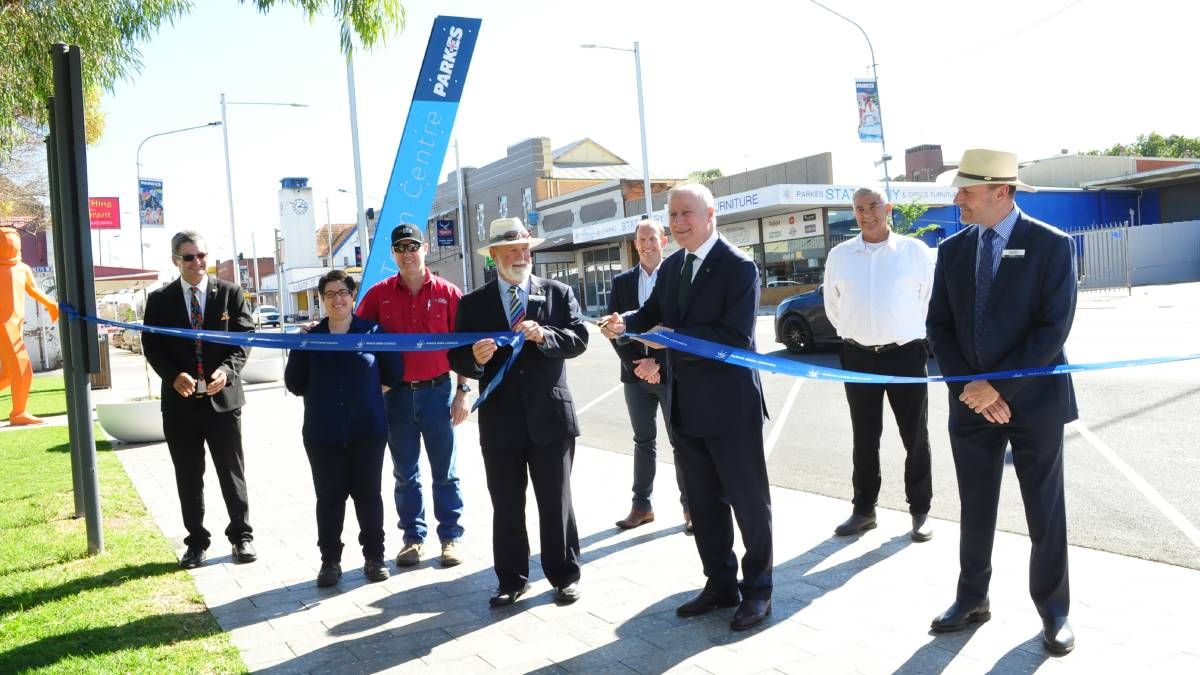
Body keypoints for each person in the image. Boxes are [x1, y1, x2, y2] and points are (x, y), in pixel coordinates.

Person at [926, 149, 1078, 655]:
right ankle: (972, 599)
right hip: (970, 404)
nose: (957, 199)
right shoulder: (951, 251)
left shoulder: (1051, 246)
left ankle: (1054, 612)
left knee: (1045, 511)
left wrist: (1000, 388)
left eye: (966, 191)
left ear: (1001, 192)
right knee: (975, 507)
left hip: (1034, 404)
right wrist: (970, 388)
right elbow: (939, 327)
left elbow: (1052, 330)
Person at [601, 184, 773, 632]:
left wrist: (668, 338)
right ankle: (720, 584)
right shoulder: (674, 265)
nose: (677, 223)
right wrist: (626, 324)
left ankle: (758, 592)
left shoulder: (738, 267)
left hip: (731, 409)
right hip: (685, 406)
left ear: (710, 214)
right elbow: (653, 311)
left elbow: (733, 338)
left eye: (686, 214)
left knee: (748, 504)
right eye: (672, 215)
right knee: (703, 503)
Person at [448, 217, 588, 608]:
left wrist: (546, 336)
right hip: (500, 423)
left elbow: (579, 338)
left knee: (556, 502)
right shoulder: (472, 304)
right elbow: (456, 354)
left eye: (525, 248)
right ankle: (511, 579)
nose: (521, 256)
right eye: (511, 250)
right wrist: (473, 360)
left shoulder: (557, 293)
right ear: (494, 256)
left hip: (551, 418)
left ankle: (564, 576)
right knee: (507, 504)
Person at [824, 186, 936, 542]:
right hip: (857, 356)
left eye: (873, 206)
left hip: (905, 355)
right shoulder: (840, 255)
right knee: (864, 437)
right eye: (859, 208)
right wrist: (859, 333)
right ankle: (864, 510)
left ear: (888, 208)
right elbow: (833, 305)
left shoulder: (914, 251)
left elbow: (926, 301)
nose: (866, 213)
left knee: (914, 436)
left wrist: (899, 332)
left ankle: (920, 511)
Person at [356, 223, 469, 569]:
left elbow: (463, 346)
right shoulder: (378, 295)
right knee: (405, 473)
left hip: (438, 392)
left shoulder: (449, 294)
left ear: (426, 248)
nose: (407, 253)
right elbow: (356, 338)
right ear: (392, 254)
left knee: (445, 471)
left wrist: (462, 391)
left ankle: (450, 537)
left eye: (412, 246)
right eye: (400, 248)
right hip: (398, 397)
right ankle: (412, 539)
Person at [143, 230, 256, 569]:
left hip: (223, 402)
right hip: (181, 404)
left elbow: (244, 337)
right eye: (189, 257)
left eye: (202, 255)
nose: (198, 263)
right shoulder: (159, 299)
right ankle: (196, 542)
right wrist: (173, 375)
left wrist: (228, 370)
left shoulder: (231, 294)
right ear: (175, 260)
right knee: (189, 475)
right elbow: (152, 345)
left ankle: (242, 536)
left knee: (232, 472)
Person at [285, 270, 404, 587]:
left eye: (343, 292)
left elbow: (393, 374)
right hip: (323, 434)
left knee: (368, 496)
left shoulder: (374, 331)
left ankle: (374, 558)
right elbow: (294, 383)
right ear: (322, 300)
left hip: (367, 431)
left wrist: (362, 395)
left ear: (353, 297)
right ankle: (330, 562)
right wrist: (301, 345)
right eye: (330, 294)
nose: (337, 299)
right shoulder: (310, 338)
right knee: (329, 498)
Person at [606, 218, 690, 532]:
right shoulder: (622, 282)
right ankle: (641, 506)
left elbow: (681, 327)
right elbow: (614, 330)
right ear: (635, 244)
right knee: (643, 441)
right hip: (635, 377)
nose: (646, 245)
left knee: (680, 441)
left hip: (670, 374)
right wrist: (638, 366)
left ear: (663, 241)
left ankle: (691, 508)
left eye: (651, 239)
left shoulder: (677, 276)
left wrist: (657, 363)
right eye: (641, 240)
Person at [0, 224, 60, 425]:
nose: (11, 243)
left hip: (17, 324)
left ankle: (19, 412)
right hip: (4, 324)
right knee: (23, 369)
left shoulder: (22, 268)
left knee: (9, 374)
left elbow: (34, 290)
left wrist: (51, 304)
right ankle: (18, 413)